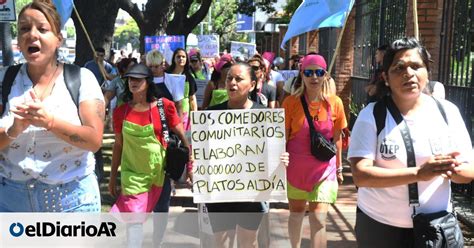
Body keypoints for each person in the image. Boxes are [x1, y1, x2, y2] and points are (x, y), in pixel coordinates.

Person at [348, 38, 474, 247]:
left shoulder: (448, 112)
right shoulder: (371, 115)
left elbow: (469, 172)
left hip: (435, 227)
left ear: (427, 72)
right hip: (380, 228)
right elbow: (361, 175)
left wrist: (450, 168)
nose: (409, 73)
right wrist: (419, 173)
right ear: (385, 78)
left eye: (416, 66)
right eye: (399, 68)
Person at [0, 0, 105, 212]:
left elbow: (94, 140)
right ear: (19, 41)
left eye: (42, 28)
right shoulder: (4, 80)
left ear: (58, 39)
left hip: (72, 201)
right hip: (12, 201)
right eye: (24, 29)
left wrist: (50, 122)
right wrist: (14, 129)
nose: (32, 34)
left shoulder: (82, 79)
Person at [205, 62, 289, 248]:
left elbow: (274, 151)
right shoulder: (211, 114)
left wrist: (281, 160)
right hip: (220, 191)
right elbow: (203, 151)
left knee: (248, 242)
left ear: (252, 85)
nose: (232, 83)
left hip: (252, 191)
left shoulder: (265, 115)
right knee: (221, 242)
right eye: (229, 78)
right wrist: (196, 164)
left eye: (238, 79)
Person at [108, 63, 188, 247]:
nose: (133, 82)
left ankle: (157, 244)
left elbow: (183, 139)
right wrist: (113, 177)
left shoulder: (164, 107)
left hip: (160, 173)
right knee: (134, 220)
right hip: (132, 176)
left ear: (148, 82)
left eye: (138, 79)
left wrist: (189, 166)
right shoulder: (120, 112)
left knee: (161, 213)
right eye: (130, 79)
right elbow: (118, 146)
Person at [282, 54, 347, 248]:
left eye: (318, 72)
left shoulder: (335, 103)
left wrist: (339, 168)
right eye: (308, 72)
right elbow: (282, 137)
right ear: (302, 75)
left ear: (325, 75)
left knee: (318, 218)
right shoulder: (290, 103)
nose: (314, 77)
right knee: (296, 214)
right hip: (295, 169)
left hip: (324, 170)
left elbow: (337, 138)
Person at [166, 48, 198, 130]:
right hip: (168, 111)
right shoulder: (166, 75)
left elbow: (192, 98)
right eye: (178, 56)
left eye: (183, 57)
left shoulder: (189, 77)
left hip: (184, 114)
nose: (181, 59)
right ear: (174, 58)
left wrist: (195, 117)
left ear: (186, 59)